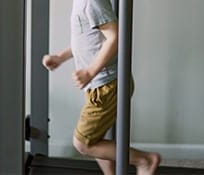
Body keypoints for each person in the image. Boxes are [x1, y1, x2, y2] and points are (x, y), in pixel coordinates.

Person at [42, 0, 161, 174]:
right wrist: (60, 57)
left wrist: (90, 72)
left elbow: (114, 37)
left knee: (83, 143)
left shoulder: (91, 3)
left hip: (106, 86)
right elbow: (86, 41)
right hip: (102, 85)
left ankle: (145, 160)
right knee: (95, 139)